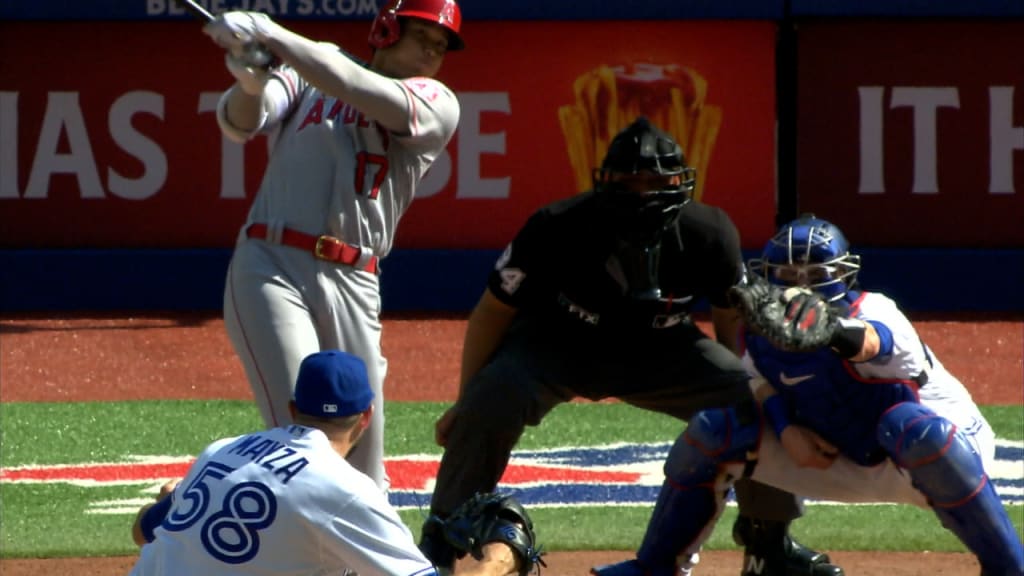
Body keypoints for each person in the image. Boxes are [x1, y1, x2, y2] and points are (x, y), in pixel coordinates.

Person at [418, 117, 843, 576]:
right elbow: (493, 311)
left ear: (680, 183)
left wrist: (749, 388)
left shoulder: (710, 231)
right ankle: (441, 539)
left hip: (665, 351)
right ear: (606, 182)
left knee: (755, 404)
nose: (643, 192)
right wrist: (466, 401)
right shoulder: (556, 225)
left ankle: (768, 544)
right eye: (630, 180)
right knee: (492, 395)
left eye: (656, 181)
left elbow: (730, 317)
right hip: (559, 343)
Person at [596, 215, 1024, 576]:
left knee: (914, 430)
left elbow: (876, 343)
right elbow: (756, 383)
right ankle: (654, 568)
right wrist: (785, 429)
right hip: (825, 451)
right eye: (786, 276)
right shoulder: (762, 325)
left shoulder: (875, 310)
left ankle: (1009, 568)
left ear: (844, 276)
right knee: (715, 428)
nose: (801, 288)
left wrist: (831, 329)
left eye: (816, 277)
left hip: (934, 457)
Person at [201, 0, 464, 490]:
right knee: (303, 442)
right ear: (387, 29)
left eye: (441, 45)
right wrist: (252, 83)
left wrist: (271, 33)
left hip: (355, 278)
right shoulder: (308, 70)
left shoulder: (437, 100)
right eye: (422, 37)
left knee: (363, 464)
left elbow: (351, 83)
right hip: (271, 264)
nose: (432, 52)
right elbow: (240, 124)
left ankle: (380, 568)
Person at [128, 349, 533, 576]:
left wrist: (173, 500)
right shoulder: (345, 489)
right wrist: (498, 560)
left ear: (292, 409)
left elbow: (143, 530)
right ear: (366, 417)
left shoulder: (222, 450)